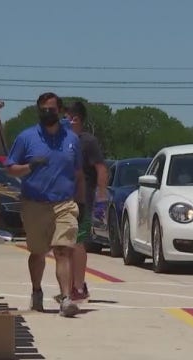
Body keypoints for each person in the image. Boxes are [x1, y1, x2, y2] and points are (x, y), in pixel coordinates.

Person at [5, 92, 85, 318]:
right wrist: (29, 166)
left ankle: (66, 298)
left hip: (64, 204)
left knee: (63, 250)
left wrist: (82, 201)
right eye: (43, 110)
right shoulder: (26, 138)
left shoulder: (72, 140)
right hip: (34, 204)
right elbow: (9, 168)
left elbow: (78, 173)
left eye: (51, 109)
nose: (46, 113)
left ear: (59, 111)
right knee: (38, 253)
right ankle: (37, 291)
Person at [61, 101, 108, 304]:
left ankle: (79, 286)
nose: (64, 121)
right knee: (65, 244)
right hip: (63, 199)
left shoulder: (87, 141)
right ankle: (70, 286)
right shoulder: (61, 139)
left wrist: (101, 196)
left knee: (78, 242)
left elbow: (101, 168)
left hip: (84, 200)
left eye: (68, 118)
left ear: (76, 119)